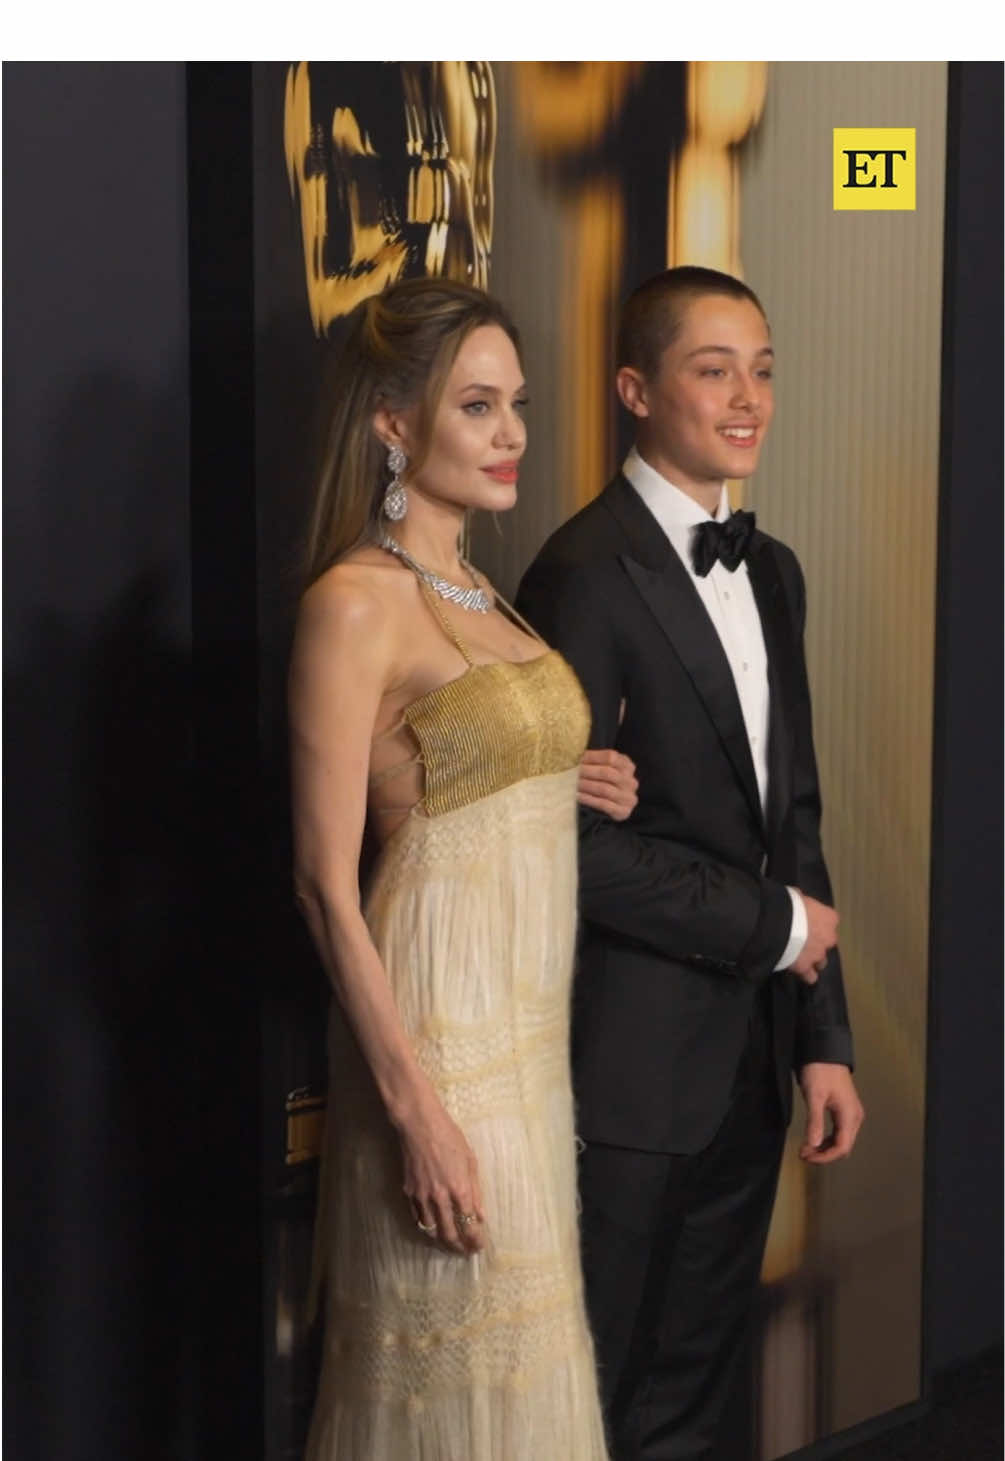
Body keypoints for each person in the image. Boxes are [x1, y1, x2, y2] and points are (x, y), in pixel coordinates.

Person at [515, 265, 865, 1461]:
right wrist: (772, 928)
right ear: (635, 390)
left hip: (757, 1060)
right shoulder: (578, 573)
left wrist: (823, 1039)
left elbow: (798, 823)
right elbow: (564, 850)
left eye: (762, 368)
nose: (748, 398)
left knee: (698, 1393)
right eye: (713, 370)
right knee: (594, 1394)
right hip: (626, 1066)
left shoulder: (776, 572)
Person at [289, 277, 636, 1460]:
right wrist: (412, 1112)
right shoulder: (354, 604)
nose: (514, 435)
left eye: (518, 404)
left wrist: (561, 769)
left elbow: (458, 766)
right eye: (478, 406)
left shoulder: (479, 589)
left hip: (530, 1058)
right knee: (445, 1399)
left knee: (531, 1388)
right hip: (441, 1056)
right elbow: (323, 881)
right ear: (393, 421)